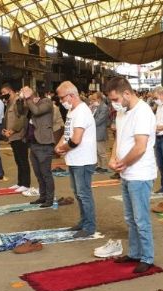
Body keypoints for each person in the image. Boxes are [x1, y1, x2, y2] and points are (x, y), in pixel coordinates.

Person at [106, 77, 158, 274]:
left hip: (140, 174)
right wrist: (113, 158)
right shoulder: (122, 112)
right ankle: (135, 252)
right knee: (130, 218)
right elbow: (119, 140)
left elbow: (140, 147)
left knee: (141, 219)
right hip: (127, 172)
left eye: (116, 99)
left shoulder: (143, 112)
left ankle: (147, 257)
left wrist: (123, 163)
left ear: (127, 93)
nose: (114, 103)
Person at [55, 81, 97, 238]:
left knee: (84, 194)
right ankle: (83, 221)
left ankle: (89, 226)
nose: (61, 101)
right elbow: (67, 134)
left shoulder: (82, 112)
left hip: (83, 160)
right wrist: (59, 146)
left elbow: (75, 140)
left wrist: (63, 148)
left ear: (71, 95)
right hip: (74, 159)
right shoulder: (72, 111)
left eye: (62, 98)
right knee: (78, 193)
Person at [22, 86, 56, 207]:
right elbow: (21, 112)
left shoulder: (46, 102)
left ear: (35, 96)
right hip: (34, 144)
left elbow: (37, 111)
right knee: (38, 174)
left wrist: (28, 98)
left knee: (46, 173)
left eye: (30, 97)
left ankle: (49, 199)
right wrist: (21, 99)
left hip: (44, 144)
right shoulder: (31, 105)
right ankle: (42, 197)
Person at [0, 85, 29, 192]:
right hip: (11, 136)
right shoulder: (9, 102)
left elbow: (22, 118)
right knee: (18, 160)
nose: (3, 95)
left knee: (23, 160)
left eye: (4, 92)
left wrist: (12, 130)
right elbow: (8, 118)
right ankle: (20, 182)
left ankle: (26, 184)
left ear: (10, 91)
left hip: (19, 135)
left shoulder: (18, 101)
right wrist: (4, 129)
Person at [89, 92, 110, 173]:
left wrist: (89, 123)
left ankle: (104, 167)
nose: (92, 100)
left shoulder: (104, 107)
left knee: (101, 151)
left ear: (99, 99)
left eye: (94, 99)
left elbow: (99, 120)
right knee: (96, 151)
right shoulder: (95, 107)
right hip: (94, 132)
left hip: (100, 132)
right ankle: (99, 165)